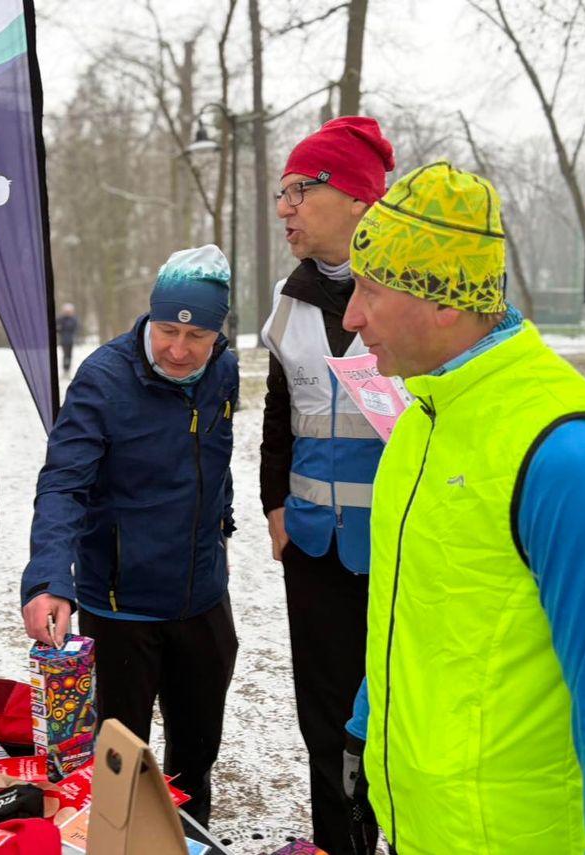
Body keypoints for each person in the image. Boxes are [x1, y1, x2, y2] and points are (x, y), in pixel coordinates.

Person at [342, 161, 585, 854]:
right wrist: (366, 729)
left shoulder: (569, 453)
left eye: (370, 288)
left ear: (445, 302)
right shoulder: (423, 418)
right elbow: (414, 605)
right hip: (418, 824)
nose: (352, 316)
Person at [21, 245, 239, 827]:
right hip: (121, 606)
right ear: (151, 317)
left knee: (195, 759)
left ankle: (189, 838)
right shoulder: (104, 378)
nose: (178, 349)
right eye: (168, 329)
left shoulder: (224, 368)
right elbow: (63, 485)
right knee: (118, 766)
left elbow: (213, 451)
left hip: (201, 595)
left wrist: (225, 516)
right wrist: (48, 578)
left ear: (218, 334)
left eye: (197, 337)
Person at [259, 116, 394, 854]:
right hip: (313, 546)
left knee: (393, 713)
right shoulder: (291, 297)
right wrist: (274, 507)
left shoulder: (410, 293)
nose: (284, 207)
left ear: (351, 197)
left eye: (297, 191)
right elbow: (280, 411)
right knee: (322, 715)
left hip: (399, 554)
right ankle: (333, 842)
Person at [57, 302, 79, 375]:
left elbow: (76, 329)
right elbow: (58, 329)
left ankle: (68, 370)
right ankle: (65, 369)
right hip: (64, 341)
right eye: (67, 311)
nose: (68, 312)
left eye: (70, 311)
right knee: (65, 355)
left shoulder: (73, 320)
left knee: (69, 355)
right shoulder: (61, 319)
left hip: (71, 341)